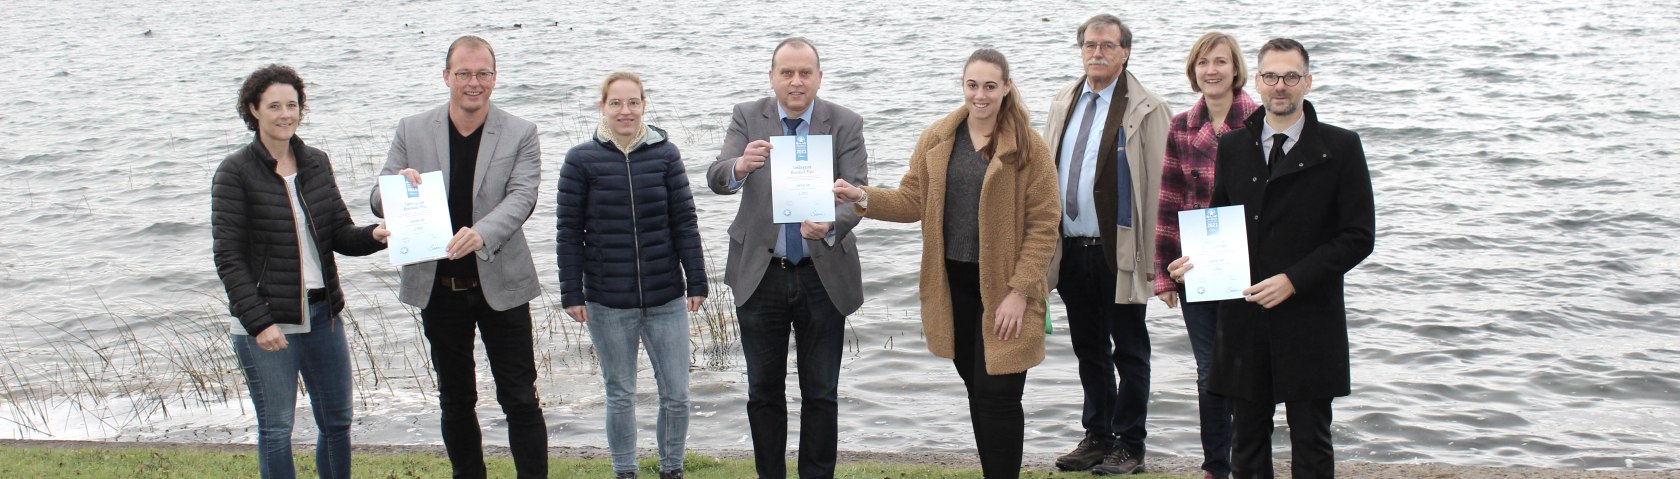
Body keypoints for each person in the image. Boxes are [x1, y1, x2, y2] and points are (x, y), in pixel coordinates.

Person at [833, 49, 1059, 479]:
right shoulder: (937, 138)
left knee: (1000, 395)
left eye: (990, 86)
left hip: (1006, 289)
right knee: (977, 390)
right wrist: (861, 196)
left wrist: (1020, 291)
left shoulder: (1030, 149)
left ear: (1006, 87)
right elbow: (912, 200)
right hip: (951, 287)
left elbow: (1045, 226)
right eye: (972, 84)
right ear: (962, 85)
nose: (980, 94)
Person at [1167, 38, 1374, 479]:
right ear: (1257, 82)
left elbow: (1358, 237)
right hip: (1245, 313)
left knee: (1312, 438)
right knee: (1247, 440)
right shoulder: (1235, 147)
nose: (1281, 86)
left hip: (1310, 312)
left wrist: (1295, 279)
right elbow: (1220, 223)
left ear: (1308, 82)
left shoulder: (1341, 148)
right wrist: (1191, 263)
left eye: (1291, 76)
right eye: (1272, 76)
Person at [369, 35, 547, 479]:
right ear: (446, 76)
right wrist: (395, 191)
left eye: (483, 73)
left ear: (494, 77)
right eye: (464, 73)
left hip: (501, 286)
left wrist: (482, 234)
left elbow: (523, 197)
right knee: (455, 397)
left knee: (520, 396)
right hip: (439, 288)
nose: (474, 82)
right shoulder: (412, 129)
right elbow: (377, 196)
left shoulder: (521, 131)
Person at [212, 64, 389, 479]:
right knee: (277, 430)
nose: (285, 113)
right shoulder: (234, 172)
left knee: (338, 424)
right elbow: (229, 258)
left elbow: (338, 233)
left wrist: (375, 235)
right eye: (274, 105)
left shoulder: (316, 163)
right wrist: (259, 322)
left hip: (324, 316)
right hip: (269, 324)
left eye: (292, 104)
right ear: (254, 110)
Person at [704, 36, 869, 479]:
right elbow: (717, 177)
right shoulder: (746, 116)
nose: (796, 82)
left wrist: (830, 224)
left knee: (821, 392)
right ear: (772, 76)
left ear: (819, 77)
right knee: (763, 392)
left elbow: (859, 196)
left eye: (805, 73)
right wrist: (740, 165)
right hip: (761, 274)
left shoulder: (846, 123)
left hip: (822, 273)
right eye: (787, 73)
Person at [557, 71, 707, 479]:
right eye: (616, 103)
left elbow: (685, 222)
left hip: (666, 298)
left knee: (676, 395)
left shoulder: (666, 155)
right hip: (607, 301)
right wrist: (572, 292)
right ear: (603, 107)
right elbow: (569, 232)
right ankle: (625, 471)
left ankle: (671, 469)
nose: (625, 111)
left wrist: (697, 279)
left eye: (633, 102)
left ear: (644, 104)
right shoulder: (580, 160)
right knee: (620, 393)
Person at [1042, 13, 1172, 475]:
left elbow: (1161, 183)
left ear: (1125, 52)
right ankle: (1097, 436)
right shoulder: (1064, 102)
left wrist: (1161, 258)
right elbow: (1047, 175)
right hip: (1072, 248)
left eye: (1107, 46)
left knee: (1130, 349)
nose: (1097, 52)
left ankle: (1130, 445)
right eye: (1090, 45)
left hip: (1120, 250)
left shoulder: (1148, 108)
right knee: (1088, 348)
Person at [1152, 32, 1259, 479]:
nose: (1211, 70)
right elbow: (1168, 201)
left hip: (1252, 270)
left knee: (1250, 369)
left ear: (1236, 69)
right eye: (1203, 63)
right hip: (1198, 269)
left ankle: (1251, 464)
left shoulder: (1259, 120)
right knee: (1208, 370)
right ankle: (1217, 467)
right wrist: (1163, 273)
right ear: (1193, 70)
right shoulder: (1181, 125)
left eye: (1220, 62)